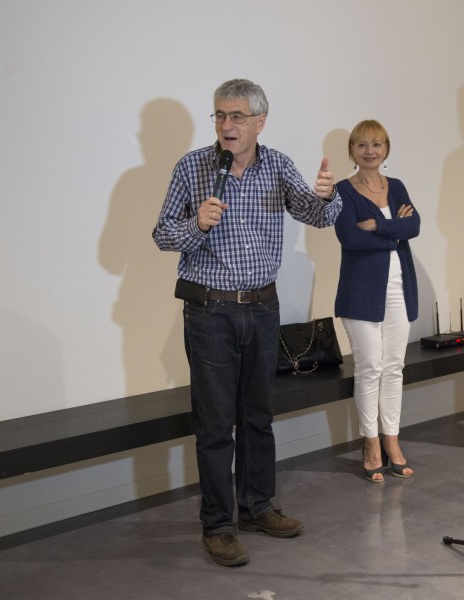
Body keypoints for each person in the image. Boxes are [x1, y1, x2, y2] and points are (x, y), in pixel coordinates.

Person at [152, 79, 341, 567]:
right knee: (216, 424)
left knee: (257, 417)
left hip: (261, 309)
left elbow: (316, 215)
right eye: (219, 115)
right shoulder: (192, 167)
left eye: (237, 116)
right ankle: (218, 526)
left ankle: (257, 507)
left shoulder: (277, 166)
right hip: (210, 313)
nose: (227, 125)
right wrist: (197, 224)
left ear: (260, 121)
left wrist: (327, 196)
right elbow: (162, 234)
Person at [334, 120, 420, 483]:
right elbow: (349, 237)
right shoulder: (342, 190)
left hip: (399, 287)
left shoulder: (395, 187)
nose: (370, 151)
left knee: (394, 367)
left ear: (386, 149)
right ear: (352, 151)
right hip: (360, 292)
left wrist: (377, 225)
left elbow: (414, 226)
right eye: (362, 145)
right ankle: (370, 444)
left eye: (377, 144)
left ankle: (392, 441)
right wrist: (394, 233)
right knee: (369, 368)